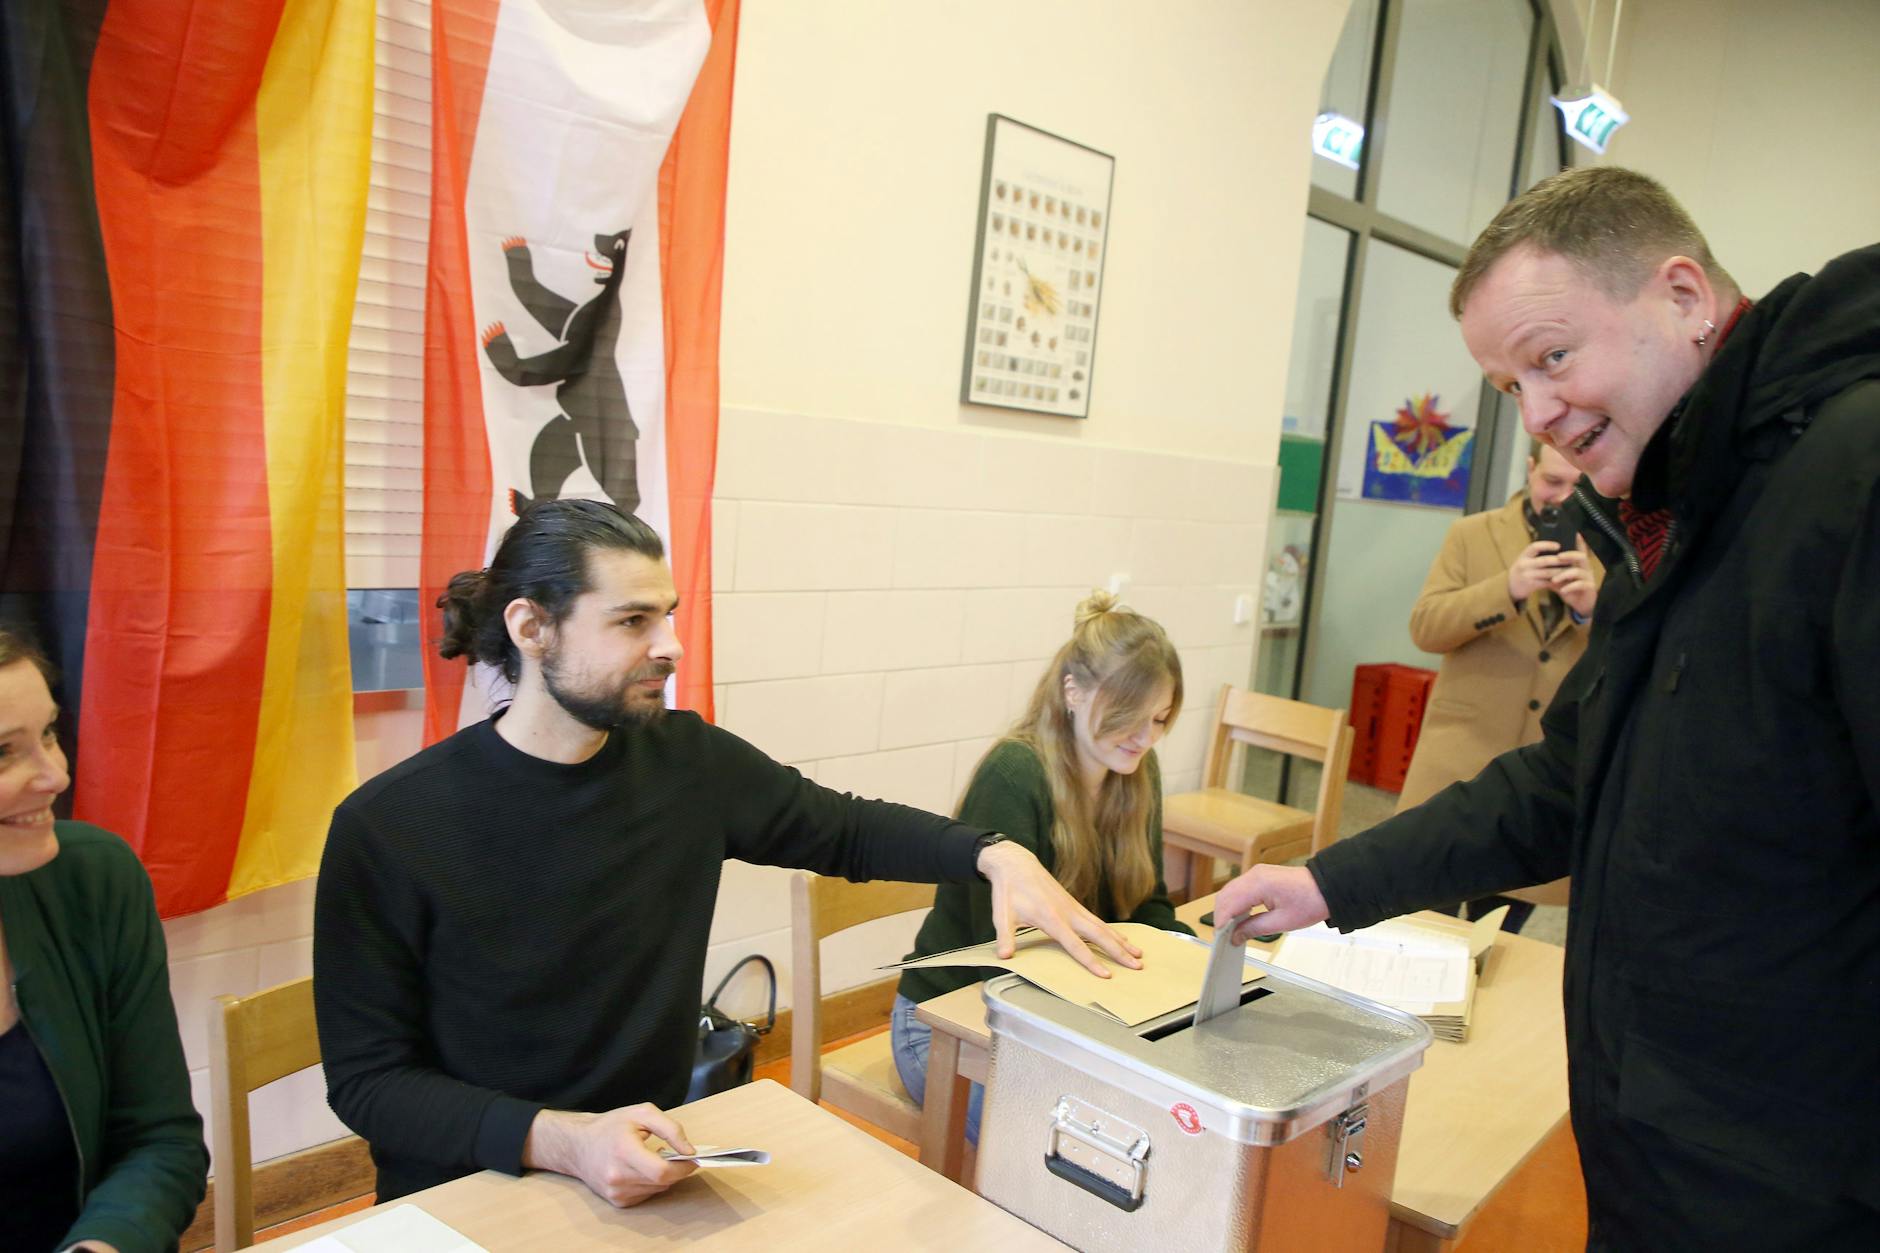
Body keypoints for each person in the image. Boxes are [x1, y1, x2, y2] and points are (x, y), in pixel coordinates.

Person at [1219, 167, 1880, 1247]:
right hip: (1659, 1148)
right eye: (1508, 386)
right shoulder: (1671, 512)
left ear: (1681, 296)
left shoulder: (1847, 471)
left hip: (1795, 1176)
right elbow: (1566, 777)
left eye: (1552, 358)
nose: (1538, 415)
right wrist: (1328, 879)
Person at [313, 500, 1141, 1209]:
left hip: (652, 1165)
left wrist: (994, 853)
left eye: (668, 615)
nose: (671, 645)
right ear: (531, 628)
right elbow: (369, 1082)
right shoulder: (391, 827)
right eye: (633, 621)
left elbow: (844, 828)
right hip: (471, 1191)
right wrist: (563, 1140)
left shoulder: (686, 762)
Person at [890, 592, 1193, 1142]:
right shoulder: (1015, 774)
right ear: (1073, 692)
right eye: (1128, 718)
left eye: (1159, 719)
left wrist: (1187, 964)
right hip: (947, 1024)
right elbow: (1002, 954)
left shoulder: (1135, 773)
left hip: (1060, 1015)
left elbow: (1147, 903)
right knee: (1067, 1149)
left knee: (1158, 1129)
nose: (1146, 738)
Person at [0, 630, 208, 1253]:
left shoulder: (91, 879)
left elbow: (159, 1140)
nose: (55, 775)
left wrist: (104, 1244)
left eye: (49, 734)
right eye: (3, 753)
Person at [1398, 440, 1602, 932]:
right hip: (1459, 761)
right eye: (1552, 481)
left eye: (1579, 485)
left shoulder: (1618, 550)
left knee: (1499, 944)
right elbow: (1426, 628)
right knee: (1422, 930)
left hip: (1544, 777)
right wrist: (1507, 588)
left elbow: (1638, 654)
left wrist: (1592, 611)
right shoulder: (1472, 534)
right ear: (1529, 468)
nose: (1564, 498)